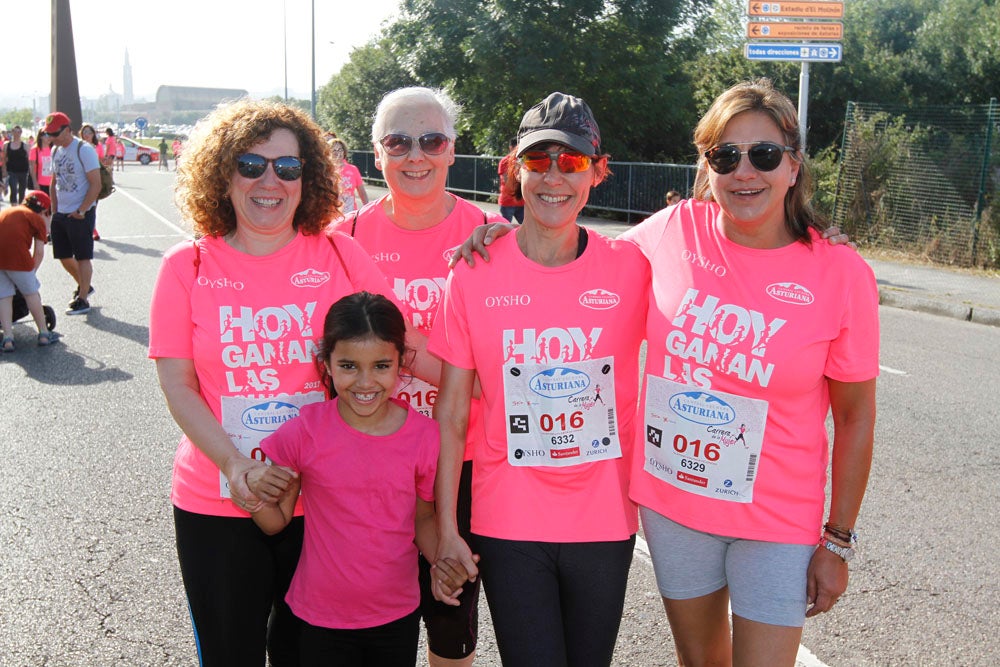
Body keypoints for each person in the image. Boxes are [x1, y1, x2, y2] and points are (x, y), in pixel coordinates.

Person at [148, 98, 440, 667]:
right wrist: (235, 465)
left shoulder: (339, 252)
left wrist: (488, 385)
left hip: (322, 505)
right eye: (251, 165)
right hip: (219, 502)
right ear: (222, 174)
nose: (270, 182)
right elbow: (178, 385)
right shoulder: (186, 266)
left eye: (288, 167)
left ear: (308, 178)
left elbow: (403, 347)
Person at [621, 78, 879, 667]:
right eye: (725, 155)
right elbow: (577, 270)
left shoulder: (839, 272)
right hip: (673, 504)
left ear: (793, 167)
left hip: (775, 519)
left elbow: (856, 415)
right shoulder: (670, 230)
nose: (745, 172)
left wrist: (837, 540)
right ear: (707, 165)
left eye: (763, 155)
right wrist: (506, 241)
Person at [430, 92, 651, 667]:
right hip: (509, 519)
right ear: (514, 169)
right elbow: (451, 415)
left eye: (573, 162)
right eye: (539, 160)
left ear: (598, 173)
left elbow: (723, 253)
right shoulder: (473, 272)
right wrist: (448, 529)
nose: (555, 176)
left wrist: (812, 241)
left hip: (603, 519)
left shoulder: (634, 267)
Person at [327, 85, 504, 667]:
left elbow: (497, 385)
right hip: (371, 459)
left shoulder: (495, 237)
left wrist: (412, 351)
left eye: (432, 140)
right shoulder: (343, 240)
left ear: (453, 150)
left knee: (451, 627)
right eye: (398, 142)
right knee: (370, 619)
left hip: (462, 460)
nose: (416, 156)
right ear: (375, 156)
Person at [249, 291, 469, 667]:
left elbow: (422, 518)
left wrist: (444, 563)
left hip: (396, 615)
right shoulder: (306, 431)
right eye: (349, 366)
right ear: (327, 364)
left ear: (403, 363)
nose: (365, 382)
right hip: (319, 617)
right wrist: (255, 494)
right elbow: (275, 523)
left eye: (381, 365)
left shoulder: (424, 436)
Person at [46, 112, 101, 316]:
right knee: (62, 255)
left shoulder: (83, 150)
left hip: (80, 212)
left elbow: (96, 184)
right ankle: (85, 284)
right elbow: (54, 181)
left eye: (55, 133)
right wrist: (54, 209)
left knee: (83, 256)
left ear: (68, 130)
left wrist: (82, 210)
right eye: (49, 133)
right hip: (61, 211)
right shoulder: (55, 151)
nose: (52, 137)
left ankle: (83, 298)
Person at [0, 190, 57, 350]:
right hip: (18, 258)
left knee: (4, 296)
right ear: (45, 211)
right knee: (31, 293)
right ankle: (44, 333)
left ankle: (8, 338)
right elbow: (38, 252)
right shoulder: (35, 219)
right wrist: (30, 273)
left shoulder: (8, 211)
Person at [328, 137, 367, 213]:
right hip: (333, 214)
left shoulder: (353, 169)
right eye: (334, 150)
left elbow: (362, 192)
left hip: (350, 213)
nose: (337, 153)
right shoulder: (326, 170)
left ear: (344, 152)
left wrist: (367, 207)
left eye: (340, 150)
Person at [79, 124, 105, 241]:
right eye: (85, 132)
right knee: (82, 205)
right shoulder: (79, 147)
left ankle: (93, 229)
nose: (87, 134)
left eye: (89, 132)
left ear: (93, 134)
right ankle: (82, 229)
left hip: (94, 180)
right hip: (81, 181)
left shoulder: (97, 147)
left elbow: (102, 163)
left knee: (93, 206)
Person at [497, 138, 524, 223]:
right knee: (506, 229)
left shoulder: (523, 160)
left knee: (527, 229)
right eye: (516, 147)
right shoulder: (505, 161)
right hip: (508, 201)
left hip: (521, 202)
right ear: (511, 147)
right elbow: (507, 181)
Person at [4, 126, 31, 206]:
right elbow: (4, 159)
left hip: (23, 171)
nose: (17, 134)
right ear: (12, 133)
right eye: (15, 132)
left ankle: (21, 207)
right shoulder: (7, 145)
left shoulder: (25, 146)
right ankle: (14, 207)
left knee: (22, 191)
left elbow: (29, 159)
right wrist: (4, 170)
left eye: (19, 132)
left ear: (21, 133)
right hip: (11, 171)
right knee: (13, 189)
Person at [29, 130, 54, 197]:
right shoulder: (35, 150)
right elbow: (32, 167)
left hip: (54, 183)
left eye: (51, 135)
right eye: (47, 135)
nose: (49, 138)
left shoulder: (54, 149)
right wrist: (35, 183)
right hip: (41, 183)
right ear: (41, 137)